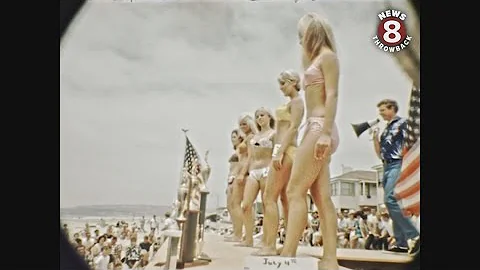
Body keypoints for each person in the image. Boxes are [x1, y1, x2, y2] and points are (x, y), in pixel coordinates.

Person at [279, 13, 340, 270]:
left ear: (312, 32)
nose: (299, 40)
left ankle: (287, 256)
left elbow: (333, 94)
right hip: (315, 128)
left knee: (294, 191)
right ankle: (329, 259)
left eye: (301, 35)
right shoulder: (316, 58)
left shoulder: (327, 57)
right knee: (321, 196)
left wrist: (325, 132)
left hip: (319, 127)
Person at [253, 70, 304, 256]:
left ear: (292, 82)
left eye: (283, 83)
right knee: (282, 198)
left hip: (286, 151)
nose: (281, 87)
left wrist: (279, 152)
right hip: (283, 150)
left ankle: (269, 245)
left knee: (269, 198)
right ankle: (283, 244)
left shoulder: (297, 102)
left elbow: (293, 128)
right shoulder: (292, 103)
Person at [372, 99, 420, 255]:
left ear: (392, 109)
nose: (381, 114)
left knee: (389, 199)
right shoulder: (386, 129)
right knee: (396, 203)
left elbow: (412, 141)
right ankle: (401, 243)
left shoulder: (403, 123)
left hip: (398, 163)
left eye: (383, 110)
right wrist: (375, 138)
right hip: (386, 165)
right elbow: (379, 153)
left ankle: (414, 235)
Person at [235, 108, 276, 247]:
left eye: (262, 115)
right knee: (246, 205)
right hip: (254, 171)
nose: (259, 118)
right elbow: (250, 157)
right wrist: (242, 173)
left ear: (269, 117)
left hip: (267, 170)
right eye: (257, 116)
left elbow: (276, 152)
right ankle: (248, 238)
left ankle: (267, 240)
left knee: (266, 205)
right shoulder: (254, 138)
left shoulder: (274, 134)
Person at [225, 114, 257, 242]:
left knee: (237, 205)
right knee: (234, 205)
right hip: (239, 173)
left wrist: (242, 173)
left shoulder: (250, 138)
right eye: (241, 124)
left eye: (245, 123)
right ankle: (239, 233)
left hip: (242, 173)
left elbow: (250, 157)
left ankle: (241, 234)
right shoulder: (248, 138)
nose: (242, 126)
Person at [225, 129, 244, 238]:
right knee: (230, 206)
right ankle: (235, 230)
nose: (232, 139)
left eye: (234, 137)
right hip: (230, 178)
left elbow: (242, 163)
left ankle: (239, 233)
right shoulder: (236, 150)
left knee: (235, 205)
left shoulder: (241, 149)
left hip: (235, 177)